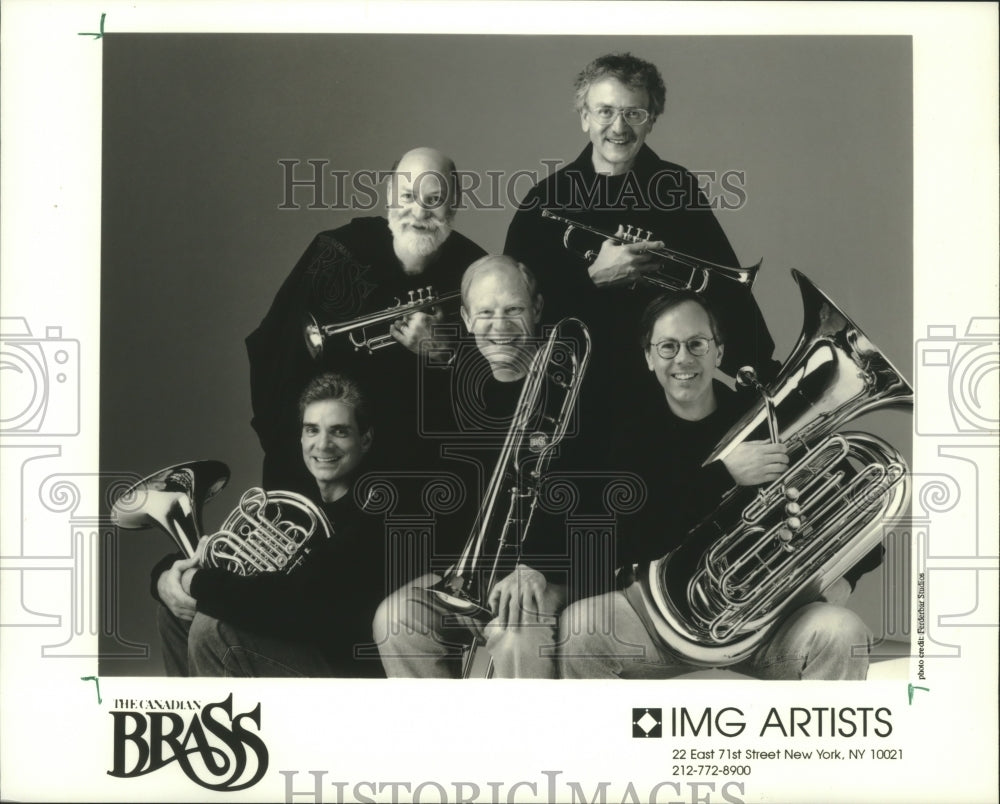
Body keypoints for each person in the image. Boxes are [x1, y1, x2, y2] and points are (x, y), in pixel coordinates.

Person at [558, 293, 881, 680]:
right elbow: (629, 538)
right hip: (658, 622)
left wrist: (843, 577)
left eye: (697, 344)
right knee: (581, 629)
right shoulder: (629, 433)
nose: (683, 359)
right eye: (667, 346)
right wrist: (724, 475)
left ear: (719, 352)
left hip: (765, 626)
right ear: (649, 357)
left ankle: (810, 744)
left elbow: (865, 513)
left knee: (844, 632)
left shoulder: (769, 422)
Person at [504, 52, 779, 411]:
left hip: (665, 395)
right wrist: (592, 279)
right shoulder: (544, 200)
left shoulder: (675, 187)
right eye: (605, 111)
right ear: (585, 118)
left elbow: (725, 292)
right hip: (573, 395)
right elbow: (512, 318)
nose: (619, 128)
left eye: (634, 113)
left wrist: (759, 373)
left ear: (651, 121)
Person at [373, 255, 575, 678]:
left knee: (516, 628)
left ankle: (519, 745)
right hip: (476, 576)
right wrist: (457, 572)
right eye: (485, 312)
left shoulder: (571, 385)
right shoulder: (455, 392)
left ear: (537, 309)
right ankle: (446, 742)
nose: (498, 326)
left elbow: (592, 497)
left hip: (550, 573)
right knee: (397, 620)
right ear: (465, 319)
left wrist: (536, 565)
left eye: (513, 310)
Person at [246, 146, 486, 496]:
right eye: (407, 195)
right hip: (320, 466)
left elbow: (503, 386)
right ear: (389, 195)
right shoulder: (336, 253)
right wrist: (303, 455)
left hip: (418, 476)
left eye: (434, 199)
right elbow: (273, 353)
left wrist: (447, 353)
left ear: (454, 204)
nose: (419, 211)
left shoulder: (476, 272)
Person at [151, 372, 388, 677]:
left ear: (364, 439)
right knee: (173, 611)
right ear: (301, 437)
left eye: (339, 431)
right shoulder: (291, 512)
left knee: (215, 629)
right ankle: (190, 714)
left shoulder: (371, 515)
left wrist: (196, 582)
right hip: (296, 645)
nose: (323, 444)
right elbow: (230, 571)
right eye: (312, 430)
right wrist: (165, 578)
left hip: (344, 672)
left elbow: (294, 601)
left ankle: (222, 721)